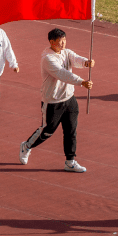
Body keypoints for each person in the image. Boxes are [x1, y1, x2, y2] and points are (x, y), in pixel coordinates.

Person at [18, 28, 94, 172]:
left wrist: (86, 62)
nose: (63, 44)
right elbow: (62, 73)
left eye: (64, 40)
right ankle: (27, 146)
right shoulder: (48, 59)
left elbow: (76, 59)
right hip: (53, 101)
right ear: (52, 42)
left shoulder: (66, 52)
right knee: (47, 131)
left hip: (69, 99)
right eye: (60, 41)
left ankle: (70, 161)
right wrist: (81, 82)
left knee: (71, 131)